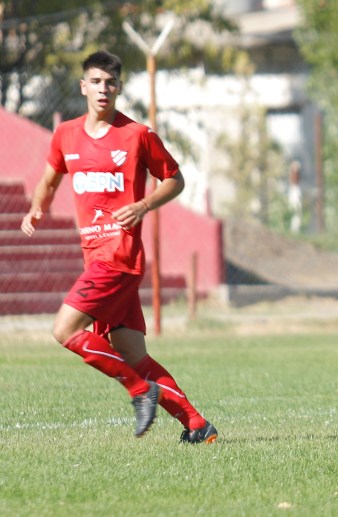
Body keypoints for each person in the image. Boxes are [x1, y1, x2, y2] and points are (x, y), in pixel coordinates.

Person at [20, 50, 217, 443]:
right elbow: (49, 178)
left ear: (119, 88)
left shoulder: (137, 135)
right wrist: (37, 208)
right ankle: (198, 425)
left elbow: (175, 179)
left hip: (119, 257)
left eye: (110, 83)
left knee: (64, 329)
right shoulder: (66, 135)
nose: (103, 89)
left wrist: (143, 205)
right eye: (95, 81)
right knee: (132, 352)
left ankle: (139, 391)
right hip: (96, 258)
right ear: (83, 87)